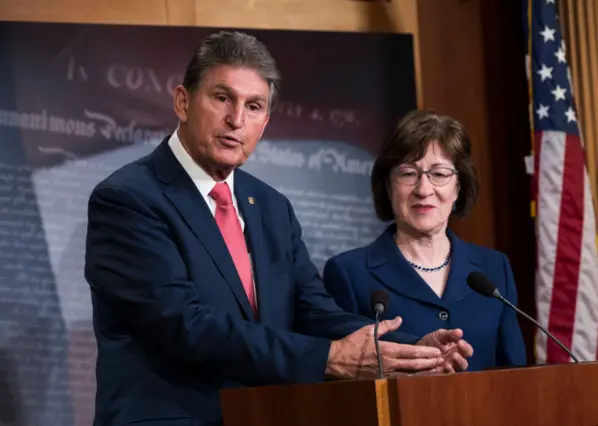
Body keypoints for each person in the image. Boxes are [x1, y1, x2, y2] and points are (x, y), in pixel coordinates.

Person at [84, 32, 473, 426]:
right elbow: (185, 324)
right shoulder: (128, 199)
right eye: (222, 98)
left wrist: (410, 351)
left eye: (254, 107)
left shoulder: (270, 207)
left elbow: (312, 311)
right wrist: (327, 359)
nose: (237, 120)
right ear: (183, 102)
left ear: (265, 121)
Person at [323, 110, 527, 372]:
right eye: (408, 173)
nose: (423, 189)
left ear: (458, 187)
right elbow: (341, 381)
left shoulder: (494, 269)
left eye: (439, 174)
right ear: (388, 186)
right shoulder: (348, 273)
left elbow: (515, 373)